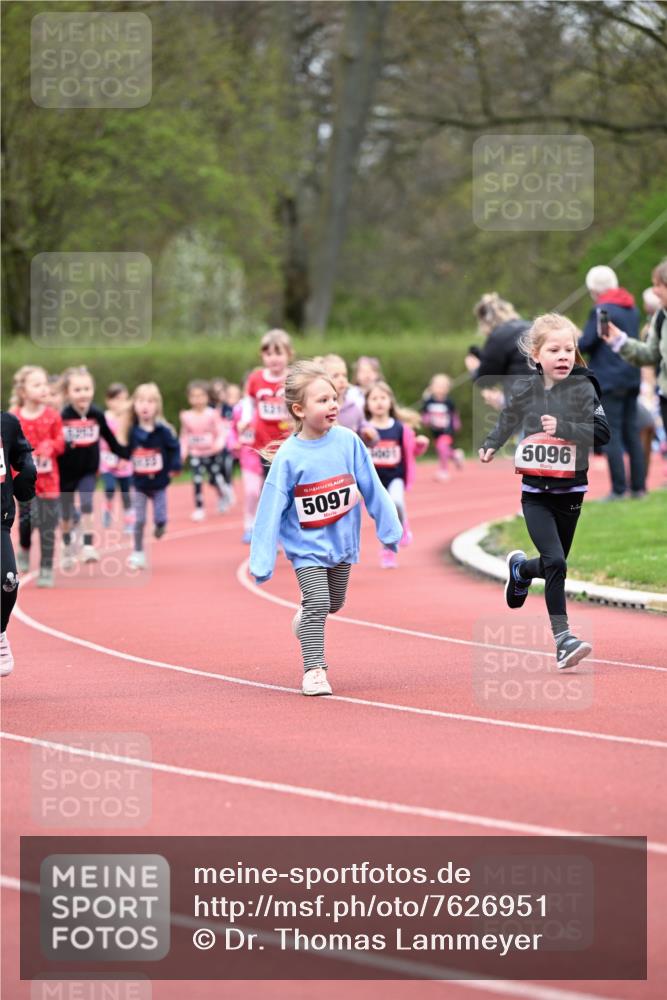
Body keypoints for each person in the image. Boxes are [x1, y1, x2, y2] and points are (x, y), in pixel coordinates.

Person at [249, 361, 402, 696]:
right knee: (318, 601)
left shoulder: (348, 442)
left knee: (334, 603)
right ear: (299, 410)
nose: (333, 405)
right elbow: (270, 510)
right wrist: (261, 560)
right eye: (322, 400)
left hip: (342, 542)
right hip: (306, 547)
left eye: (334, 398)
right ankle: (314, 670)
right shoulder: (289, 456)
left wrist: (390, 529)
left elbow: (372, 485)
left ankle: (305, 618)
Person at [479, 313, 610, 670]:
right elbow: (507, 417)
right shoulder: (525, 388)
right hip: (535, 493)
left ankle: (520, 571)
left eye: (569, 348)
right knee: (555, 562)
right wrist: (491, 443)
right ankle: (564, 639)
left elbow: (603, 434)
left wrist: (566, 428)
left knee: (554, 564)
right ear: (537, 355)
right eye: (555, 349)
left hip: (572, 493)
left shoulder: (585, 387)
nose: (564, 355)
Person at [578, 265, 645, 499]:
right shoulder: (631, 308)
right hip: (631, 377)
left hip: (610, 379)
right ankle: (639, 487)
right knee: (632, 433)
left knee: (611, 434)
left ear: (594, 290)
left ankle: (618, 490)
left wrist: (576, 338)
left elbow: (588, 342)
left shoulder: (603, 310)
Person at [58, 367, 131, 569]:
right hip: (65, 473)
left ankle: (88, 546)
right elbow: (55, 442)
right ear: (68, 393)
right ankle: (66, 548)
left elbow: (110, 438)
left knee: (87, 503)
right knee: (65, 515)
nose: (83, 394)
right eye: (78, 390)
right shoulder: (63, 415)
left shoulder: (97, 414)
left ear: (93, 389)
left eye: (87, 389)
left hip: (88, 470)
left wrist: (127, 453)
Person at [600, 258, 667, 454]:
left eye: (658, 285)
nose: (654, 291)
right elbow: (649, 354)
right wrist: (620, 341)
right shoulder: (660, 316)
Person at [364, 381, 429, 568]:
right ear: (367, 404)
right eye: (374, 398)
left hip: (395, 476)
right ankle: (388, 551)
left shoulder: (400, 428)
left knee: (397, 503)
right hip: (375, 482)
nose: (379, 402)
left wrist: (420, 445)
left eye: (383, 398)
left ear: (390, 402)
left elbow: (410, 451)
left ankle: (403, 526)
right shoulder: (365, 429)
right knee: (384, 518)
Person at [11, 366, 64, 587]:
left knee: (48, 527)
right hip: (24, 483)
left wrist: (50, 445)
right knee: (26, 522)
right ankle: (24, 548)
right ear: (23, 391)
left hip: (49, 481)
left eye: (45, 384)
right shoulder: (13, 417)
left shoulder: (52, 416)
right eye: (37, 384)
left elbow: (61, 442)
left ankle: (46, 568)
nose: (44, 388)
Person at [119, 383, 181, 570]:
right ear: (134, 405)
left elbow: (174, 448)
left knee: (160, 517)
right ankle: (138, 553)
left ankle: (160, 525)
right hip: (139, 484)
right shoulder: (130, 431)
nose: (145, 405)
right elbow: (124, 449)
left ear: (157, 406)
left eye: (151, 401)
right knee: (138, 520)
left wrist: (175, 465)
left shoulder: (163, 431)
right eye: (141, 401)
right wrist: (121, 458)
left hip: (160, 483)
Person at [1, 411, 36, 676]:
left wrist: (27, 471)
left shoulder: (7, 423)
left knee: (8, 580)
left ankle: (0, 634)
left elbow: (22, 455)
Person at [238, 329, 293, 477]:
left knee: (290, 475)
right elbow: (249, 400)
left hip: (290, 437)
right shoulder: (256, 378)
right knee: (270, 476)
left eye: (279, 353)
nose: (273, 358)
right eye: (268, 354)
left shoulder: (294, 377)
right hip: (265, 439)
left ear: (289, 354)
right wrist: (245, 419)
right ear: (262, 356)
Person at [179, 379, 232, 521]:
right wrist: (182, 452)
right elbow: (184, 436)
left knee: (214, 479)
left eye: (201, 396)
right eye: (194, 396)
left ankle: (222, 495)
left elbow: (220, 431)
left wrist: (219, 444)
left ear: (207, 397)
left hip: (211, 453)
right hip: (196, 454)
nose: (198, 399)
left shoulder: (212, 414)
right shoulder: (186, 416)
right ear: (189, 398)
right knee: (196, 479)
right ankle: (199, 508)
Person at [466, 293, 531, 393]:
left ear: (484, 320)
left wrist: (474, 368)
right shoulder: (531, 326)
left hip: (523, 401)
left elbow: (484, 380)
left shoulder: (498, 336)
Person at [228, 376, 263, 544]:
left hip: (266, 455)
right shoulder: (239, 409)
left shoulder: (266, 409)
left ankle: (270, 530)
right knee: (251, 492)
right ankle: (249, 526)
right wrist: (233, 441)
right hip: (248, 456)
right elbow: (232, 429)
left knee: (267, 495)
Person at [100, 383, 135, 533]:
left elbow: (130, 440)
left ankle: (129, 521)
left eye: (123, 399)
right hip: (107, 462)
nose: (120, 403)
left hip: (124, 464)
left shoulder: (129, 420)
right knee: (109, 488)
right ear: (108, 400)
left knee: (126, 494)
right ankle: (107, 509)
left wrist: (125, 458)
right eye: (116, 399)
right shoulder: (104, 417)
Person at [321, 354, 377, 442]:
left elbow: (363, 426)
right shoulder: (320, 408)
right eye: (336, 376)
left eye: (344, 375)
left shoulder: (353, 407)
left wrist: (370, 435)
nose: (342, 380)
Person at [420, 373, 463, 481]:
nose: (440, 389)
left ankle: (443, 471)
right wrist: (425, 420)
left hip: (447, 431)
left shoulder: (449, 402)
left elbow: (454, 414)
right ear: (431, 387)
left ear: (447, 389)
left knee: (441, 447)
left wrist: (456, 423)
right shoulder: (428, 401)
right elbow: (425, 413)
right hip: (435, 432)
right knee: (442, 449)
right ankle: (455, 455)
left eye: (443, 387)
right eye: (437, 386)